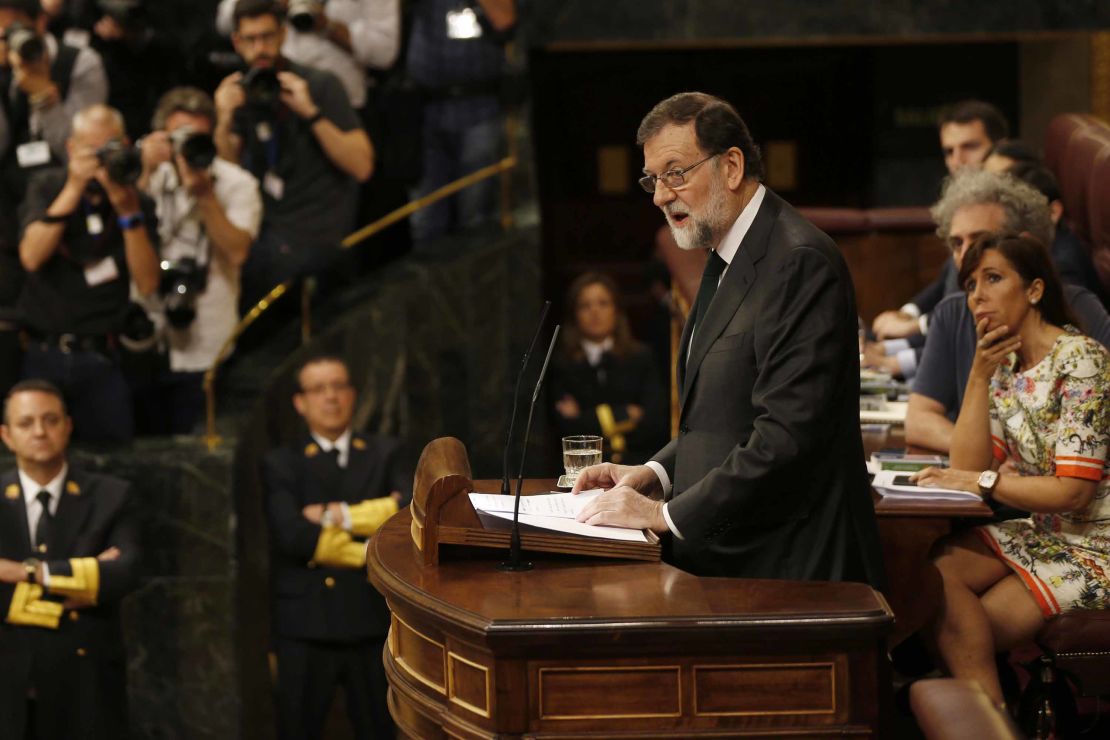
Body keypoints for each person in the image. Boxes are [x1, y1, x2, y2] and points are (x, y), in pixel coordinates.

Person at [572, 92, 885, 587]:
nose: (659, 196)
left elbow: (784, 438)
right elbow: (721, 417)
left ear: (732, 166)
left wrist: (662, 516)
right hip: (733, 560)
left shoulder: (799, 261)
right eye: (652, 179)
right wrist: (655, 474)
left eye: (675, 173)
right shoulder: (724, 253)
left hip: (792, 573)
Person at [913, 234, 1110, 707]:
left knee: (963, 627)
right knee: (931, 573)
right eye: (970, 283)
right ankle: (995, 719)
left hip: (1097, 545)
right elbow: (967, 469)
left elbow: (1073, 493)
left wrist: (983, 481)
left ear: (1035, 290)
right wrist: (979, 376)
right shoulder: (1007, 367)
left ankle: (989, 721)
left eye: (993, 278)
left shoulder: (1081, 360)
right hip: (1041, 532)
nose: (976, 295)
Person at [905, 170, 1110, 453]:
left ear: (1024, 246)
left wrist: (1011, 471)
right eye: (957, 243)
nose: (964, 256)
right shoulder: (953, 312)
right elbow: (918, 419)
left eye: (980, 241)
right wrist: (988, 461)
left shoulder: (1082, 311)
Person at [262, 354, 408, 740]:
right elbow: (292, 534)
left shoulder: (384, 452)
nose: (331, 397)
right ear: (300, 402)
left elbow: (406, 517)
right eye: (318, 389)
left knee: (378, 729)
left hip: (371, 617)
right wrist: (370, 549)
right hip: (306, 623)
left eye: (339, 386)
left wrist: (334, 515)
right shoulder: (281, 462)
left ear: (353, 395)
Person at [0, 379, 141, 738]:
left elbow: (124, 573)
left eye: (50, 420)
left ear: (67, 426)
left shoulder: (110, 495)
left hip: (85, 684)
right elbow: (101, 577)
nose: (40, 432)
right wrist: (84, 576)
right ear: (7, 435)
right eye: (26, 423)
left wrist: (26, 573)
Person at [16, 103, 159, 443]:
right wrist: (73, 188)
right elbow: (32, 257)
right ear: (71, 148)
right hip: (45, 353)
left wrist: (127, 212)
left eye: (108, 148)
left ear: (124, 146)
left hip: (104, 357)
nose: (100, 158)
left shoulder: (137, 202)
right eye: (90, 149)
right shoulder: (47, 186)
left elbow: (148, 283)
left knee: (112, 463)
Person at [215, 0, 372, 309]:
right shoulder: (239, 96)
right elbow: (228, 173)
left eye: (268, 37)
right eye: (250, 39)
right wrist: (223, 121)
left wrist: (310, 113)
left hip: (320, 239)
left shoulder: (319, 85)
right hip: (268, 238)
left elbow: (362, 166)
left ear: (284, 35)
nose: (261, 48)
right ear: (236, 42)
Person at [135, 86, 261, 433]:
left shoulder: (237, 184)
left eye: (198, 138)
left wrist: (205, 194)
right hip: (147, 330)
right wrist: (144, 171)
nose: (189, 148)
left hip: (207, 339)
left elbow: (238, 251)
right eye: (180, 138)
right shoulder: (149, 176)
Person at [871, 100, 1009, 342]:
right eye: (949, 151)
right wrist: (906, 313)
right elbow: (947, 278)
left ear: (1000, 148)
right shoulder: (965, 206)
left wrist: (913, 328)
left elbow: (978, 311)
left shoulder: (1008, 209)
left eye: (970, 147)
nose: (958, 161)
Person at [405, 0, 515, 243]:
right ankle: (428, 279)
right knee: (426, 218)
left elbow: (506, 21)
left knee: (475, 215)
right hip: (426, 109)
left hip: (479, 107)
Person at [549, 272, 666, 466]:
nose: (595, 311)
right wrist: (627, 414)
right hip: (580, 469)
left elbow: (655, 424)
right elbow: (566, 429)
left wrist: (583, 416)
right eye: (585, 305)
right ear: (574, 314)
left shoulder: (641, 357)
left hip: (636, 466)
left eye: (603, 303)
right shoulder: (562, 363)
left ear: (616, 310)